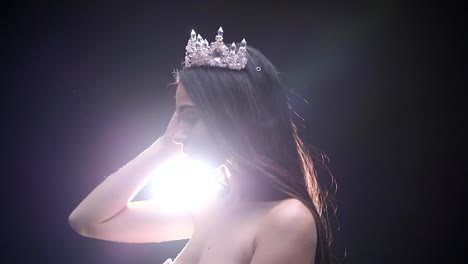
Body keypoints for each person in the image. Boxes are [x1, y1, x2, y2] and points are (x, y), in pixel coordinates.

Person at [69, 27, 334, 264]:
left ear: (236, 117)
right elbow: (87, 220)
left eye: (191, 116)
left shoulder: (286, 221)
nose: (179, 133)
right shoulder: (209, 207)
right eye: (178, 116)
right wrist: (164, 146)